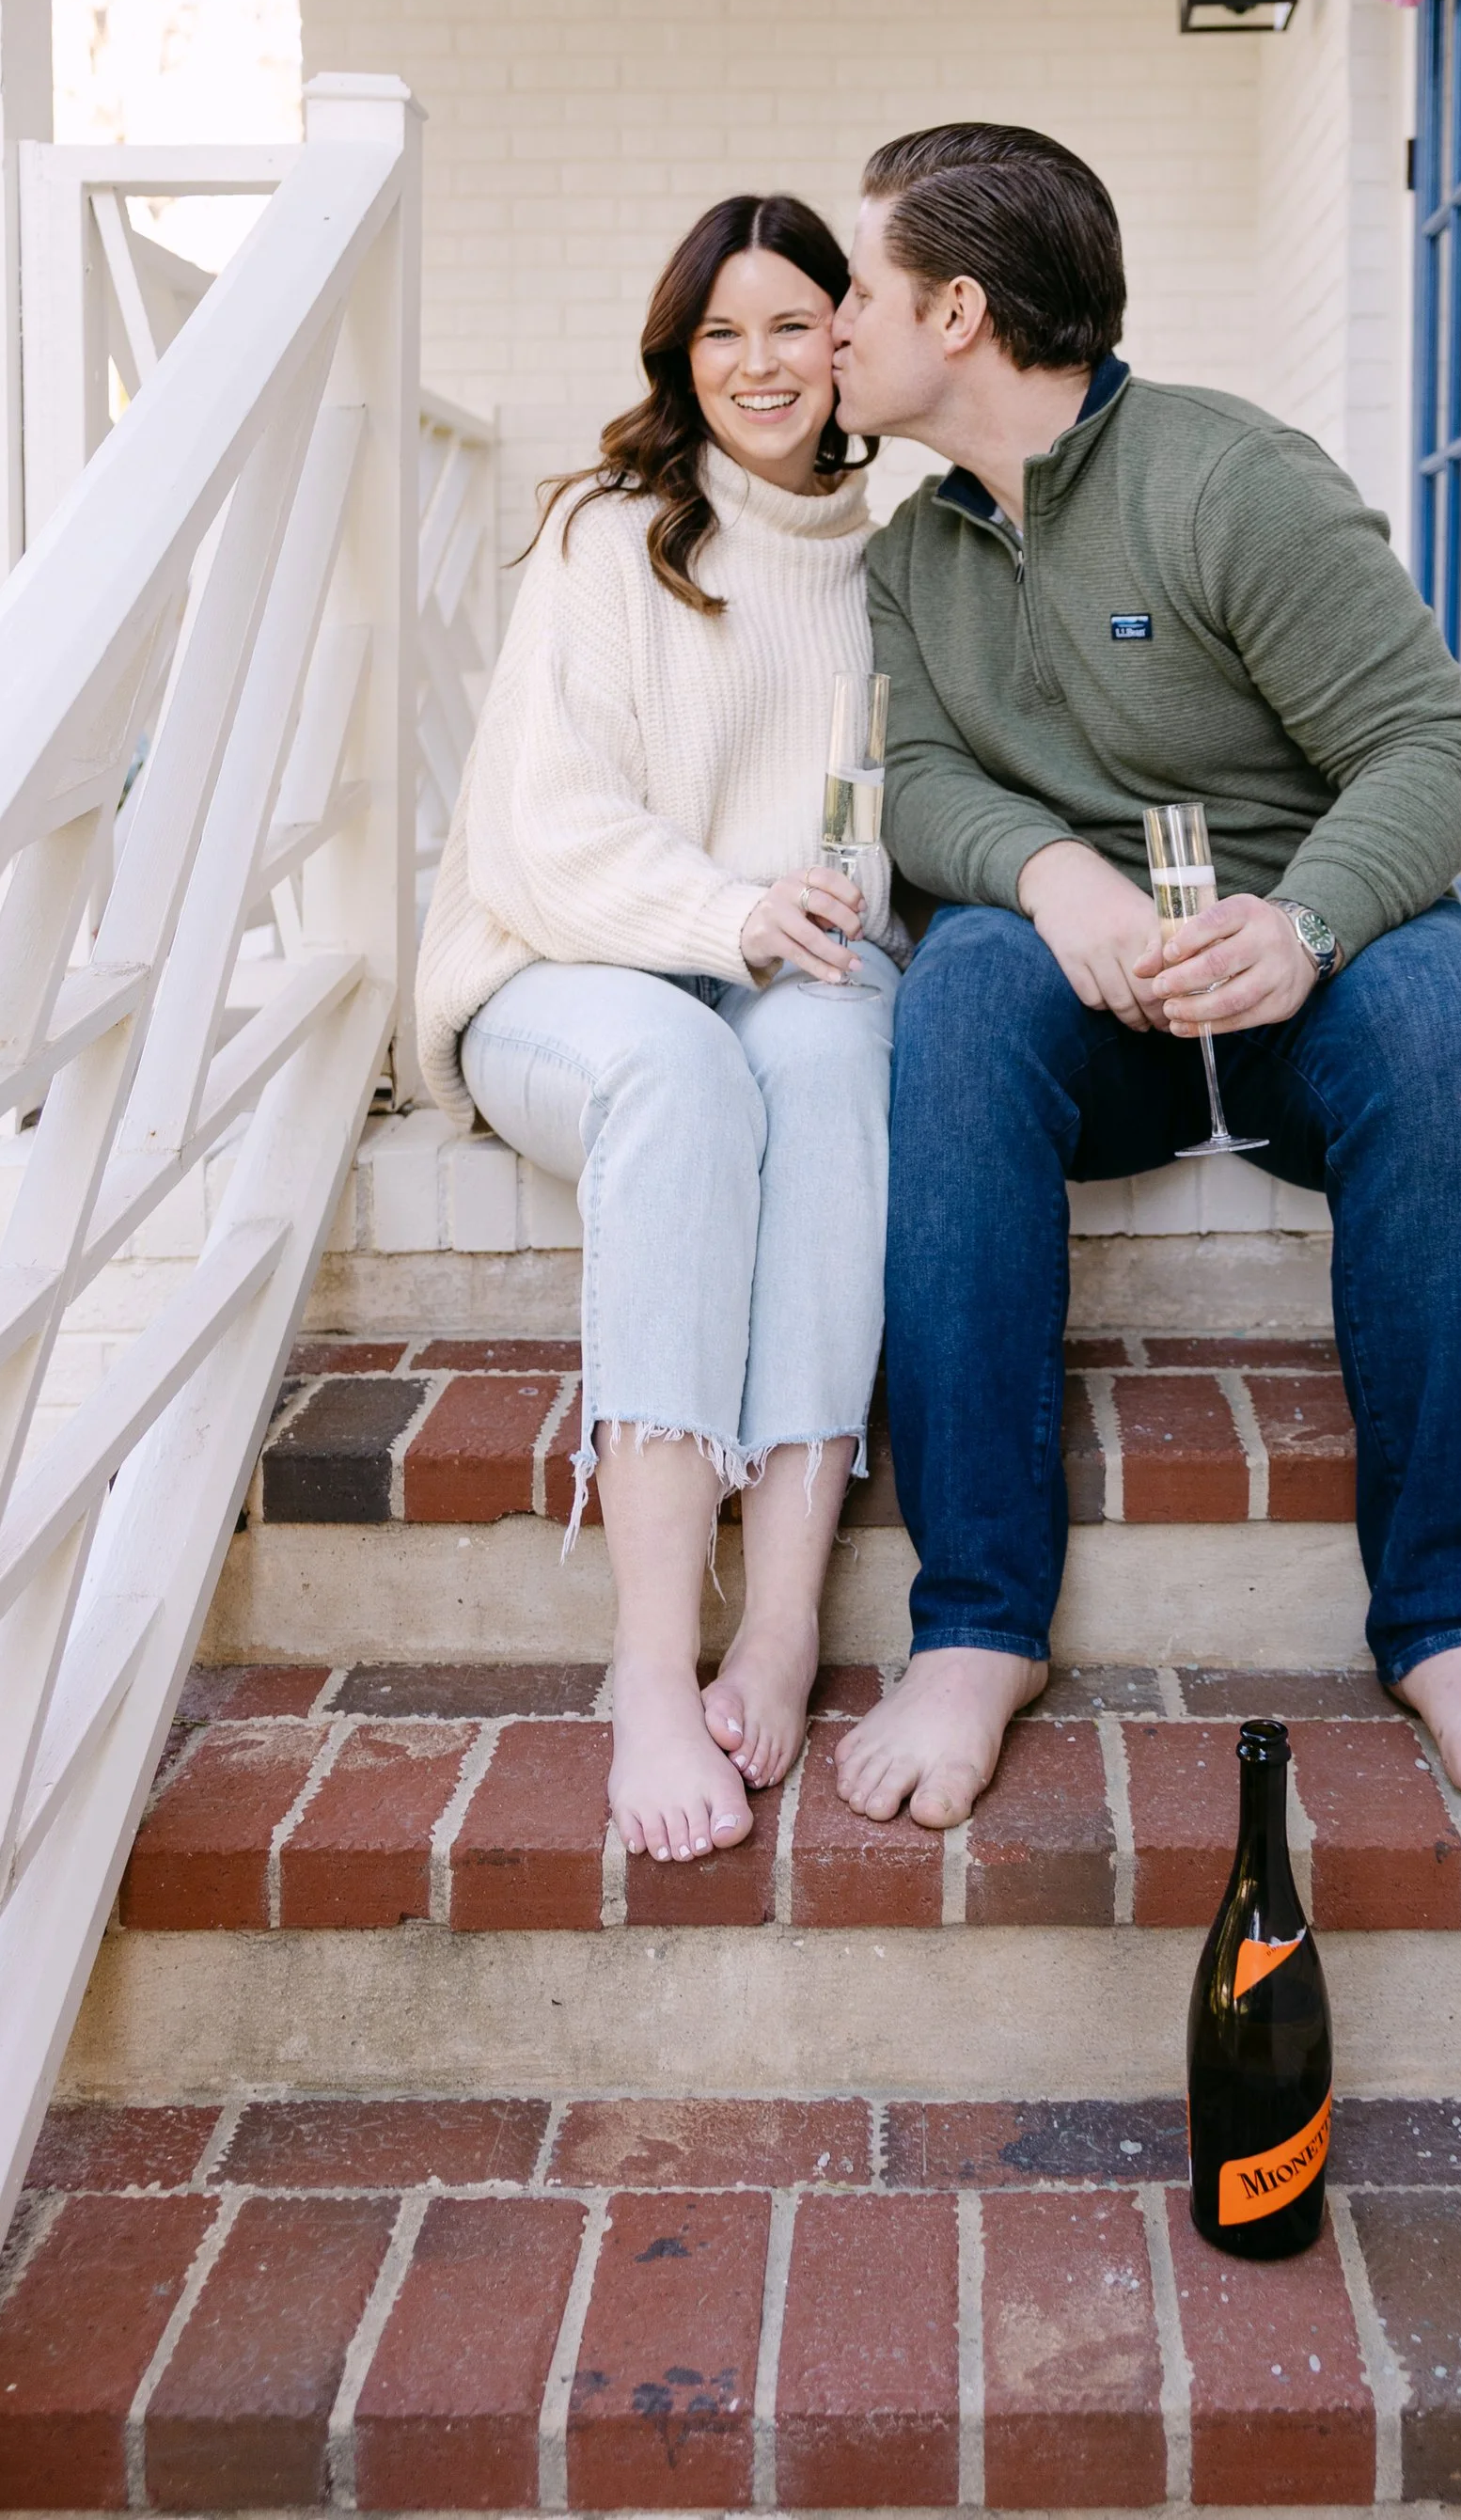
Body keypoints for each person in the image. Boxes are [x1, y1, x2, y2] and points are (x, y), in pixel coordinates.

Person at [825, 120, 1461, 1838]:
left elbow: (1435, 748)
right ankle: (975, 1624)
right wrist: (1052, 876)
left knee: (1455, 1014)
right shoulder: (910, 557)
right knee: (958, 994)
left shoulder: (1228, 479)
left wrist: (1307, 925)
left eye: (858, 291)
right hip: (1087, 1008)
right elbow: (930, 783)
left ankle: (1454, 1626)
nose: (832, 329)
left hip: (1305, 990)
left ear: (958, 312)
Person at [416, 196, 899, 1866]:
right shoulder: (611, 534)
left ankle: (780, 1617)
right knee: (684, 1073)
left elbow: (882, 837)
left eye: (789, 324)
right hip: (557, 975)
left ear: (851, 337)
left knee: (838, 1056)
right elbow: (542, 840)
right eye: (719, 333)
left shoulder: (892, 560)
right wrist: (725, 916)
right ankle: (644, 1661)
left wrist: (811, 923)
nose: (757, 364)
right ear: (678, 358)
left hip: (771, 972)